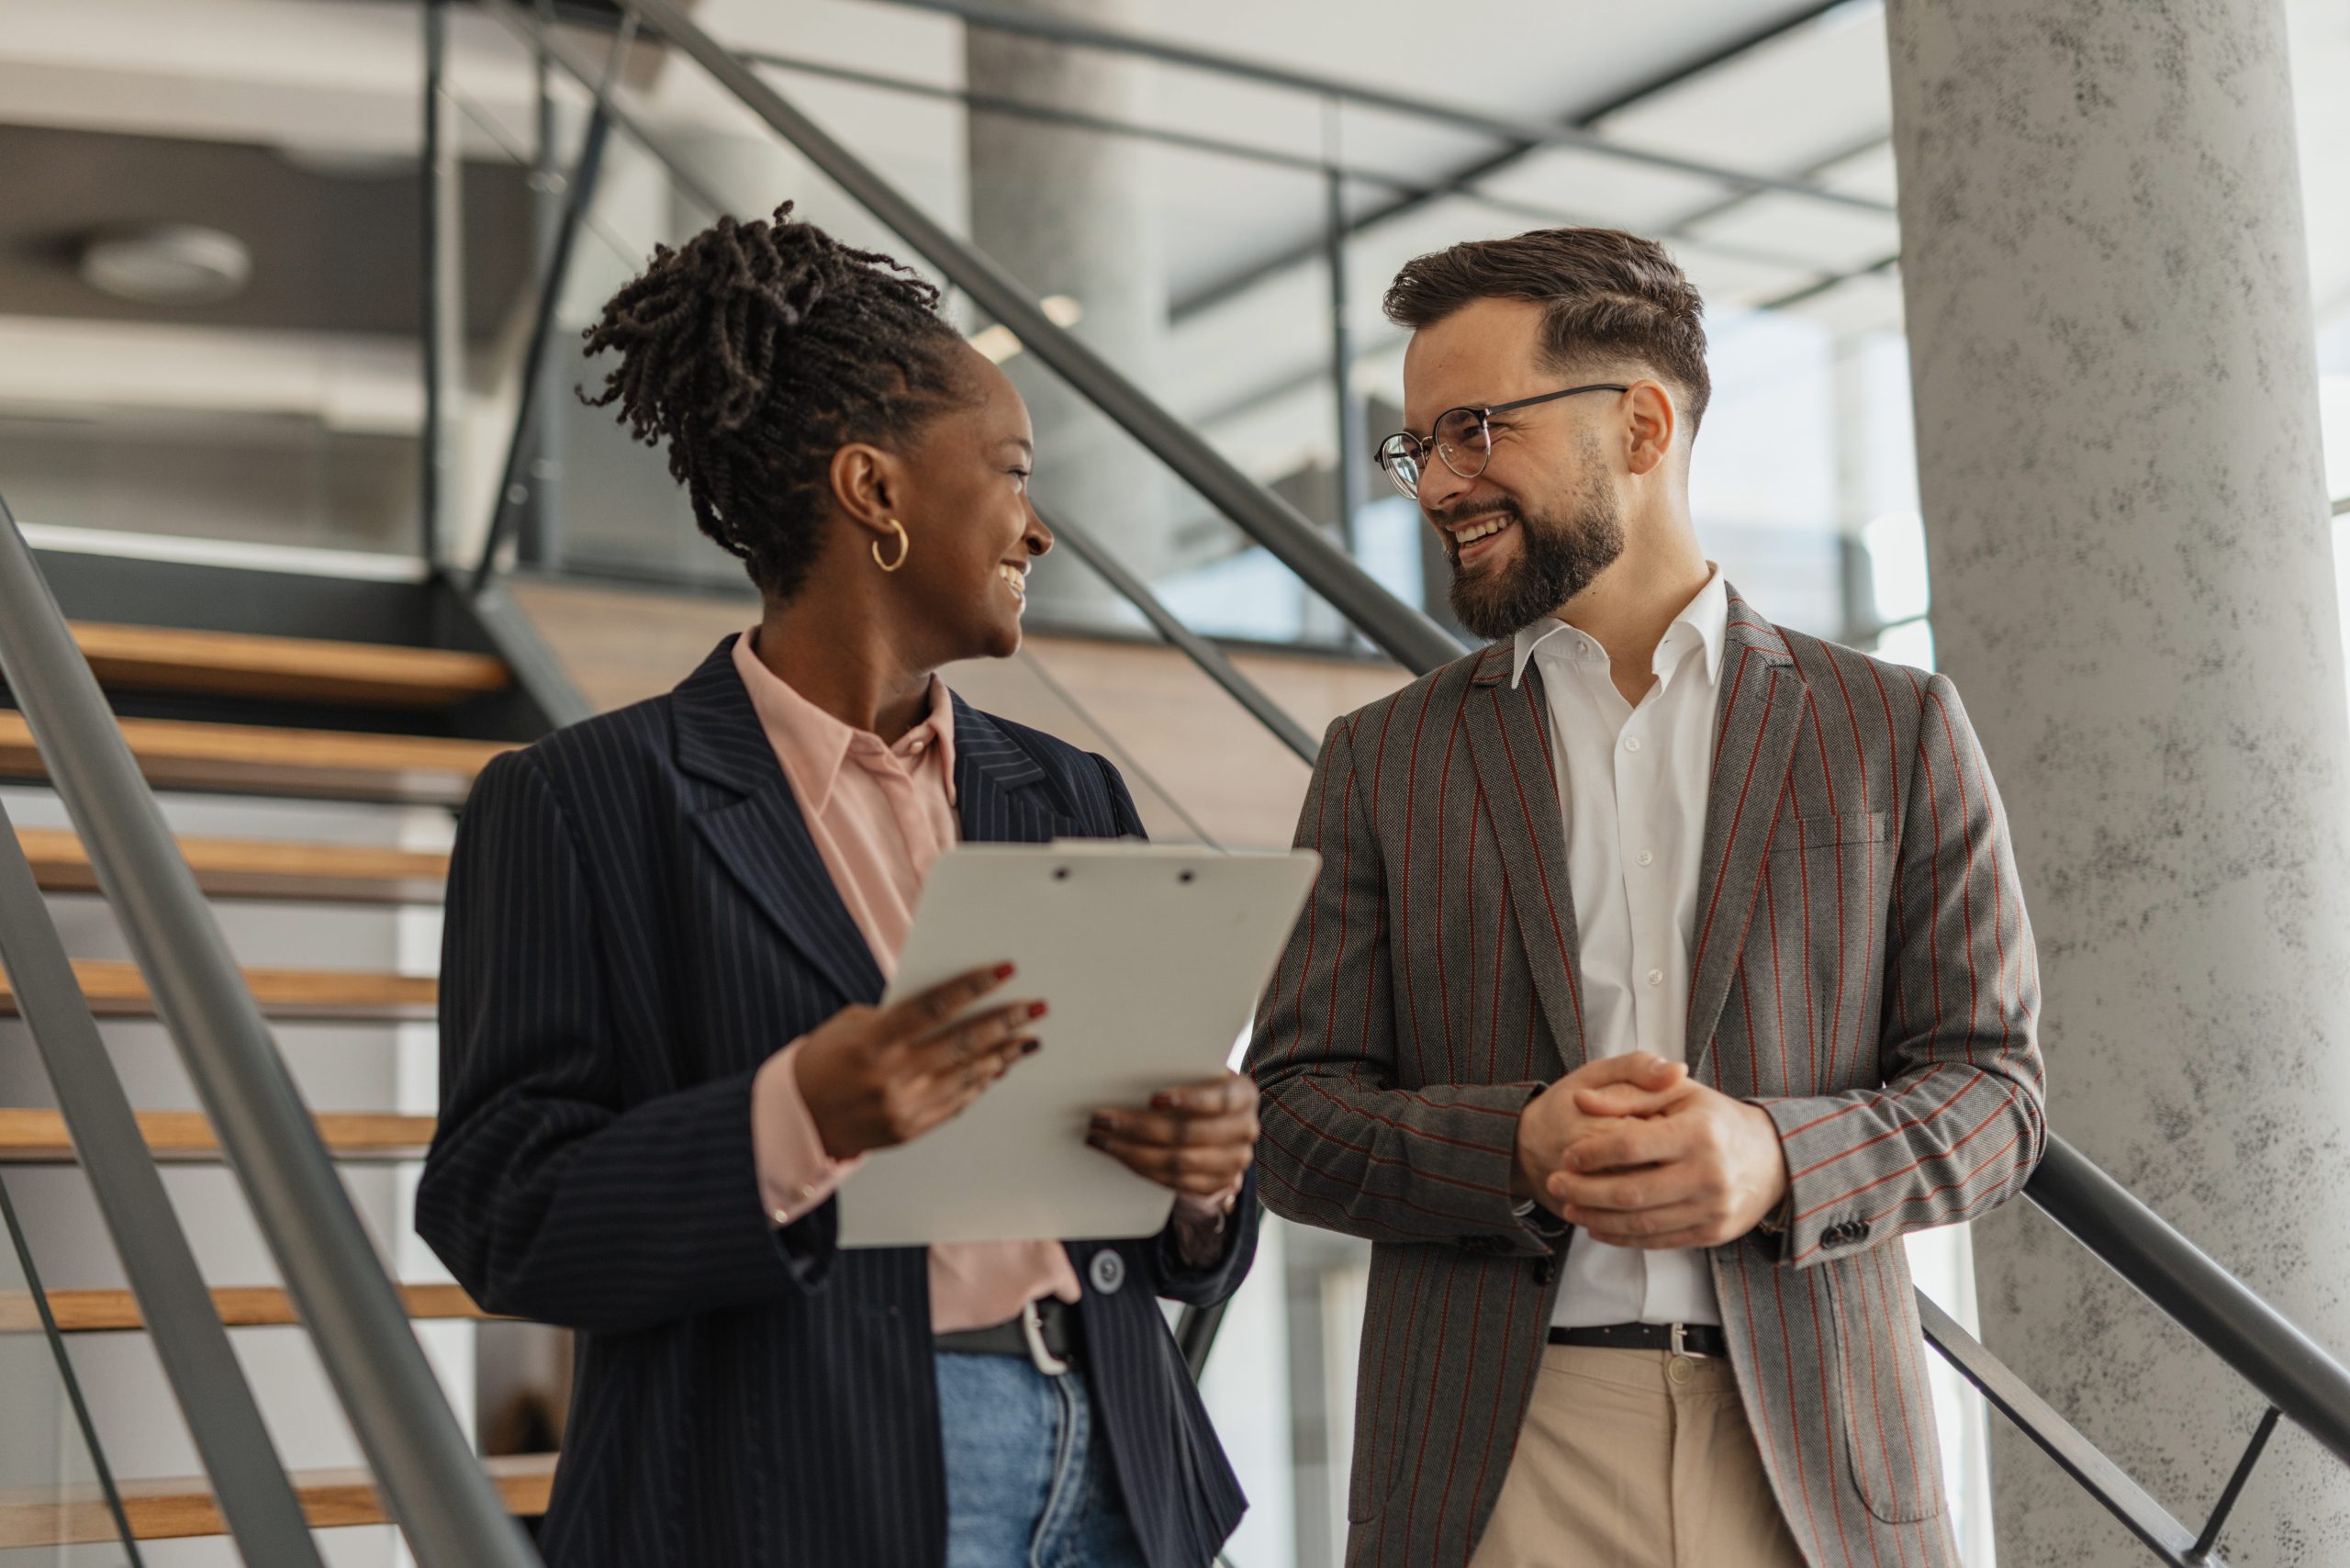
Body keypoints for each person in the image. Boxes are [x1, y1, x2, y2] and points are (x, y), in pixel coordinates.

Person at [417, 204, 1259, 1568]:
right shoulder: (581, 803)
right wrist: (797, 1112)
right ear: (874, 492)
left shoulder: (1071, 792)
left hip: (1117, 1468)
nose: (1037, 532)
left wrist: (1203, 1181)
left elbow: (1160, 1239)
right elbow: (501, 1212)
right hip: (790, 1490)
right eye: (1010, 474)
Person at [1245, 227, 2045, 1568]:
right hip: (1497, 1461)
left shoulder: (1889, 729)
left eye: (1474, 429)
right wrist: (1516, 1146)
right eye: (1418, 445)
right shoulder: (1383, 760)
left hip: (1812, 1456)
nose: (1436, 483)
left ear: (1641, 423)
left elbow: (1995, 1094)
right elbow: (1294, 1120)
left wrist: (1778, 1159)